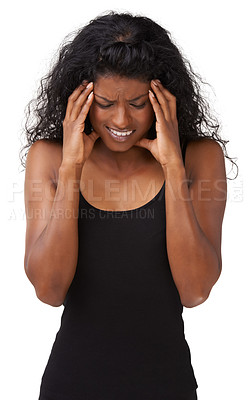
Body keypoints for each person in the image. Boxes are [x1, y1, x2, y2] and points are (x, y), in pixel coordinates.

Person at [21, 10, 234, 400]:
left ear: (162, 99)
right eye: (104, 102)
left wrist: (172, 165)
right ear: (80, 99)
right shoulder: (49, 159)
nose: (121, 118)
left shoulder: (199, 158)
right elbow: (49, 291)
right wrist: (71, 168)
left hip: (166, 387)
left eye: (138, 103)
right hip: (70, 386)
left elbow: (195, 290)